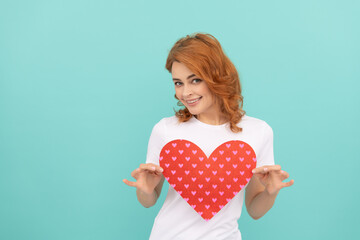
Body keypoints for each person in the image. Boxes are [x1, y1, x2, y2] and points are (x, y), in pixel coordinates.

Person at [123, 33, 294, 240]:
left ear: (217, 76)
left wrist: (271, 192)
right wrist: (146, 191)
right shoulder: (166, 130)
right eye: (178, 83)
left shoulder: (258, 132)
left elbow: (255, 210)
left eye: (195, 80)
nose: (186, 93)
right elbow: (148, 200)